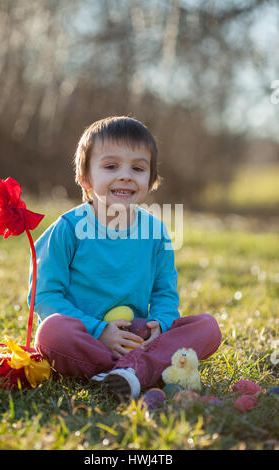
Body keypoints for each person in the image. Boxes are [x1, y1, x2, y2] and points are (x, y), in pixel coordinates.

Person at [28, 116, 222, 400]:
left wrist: (161, 324)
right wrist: (98, 330)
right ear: (85, 177)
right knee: (51, 332)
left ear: (151, 180)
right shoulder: (68, 229)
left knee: (208, 328)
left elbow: (164, 293)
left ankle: (129, 371)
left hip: (137, 339)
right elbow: (44, 295)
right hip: (85, 337)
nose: (126, 176)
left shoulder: (155, 232)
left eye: (138, 168)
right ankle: (131, 371)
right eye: (111, 166)